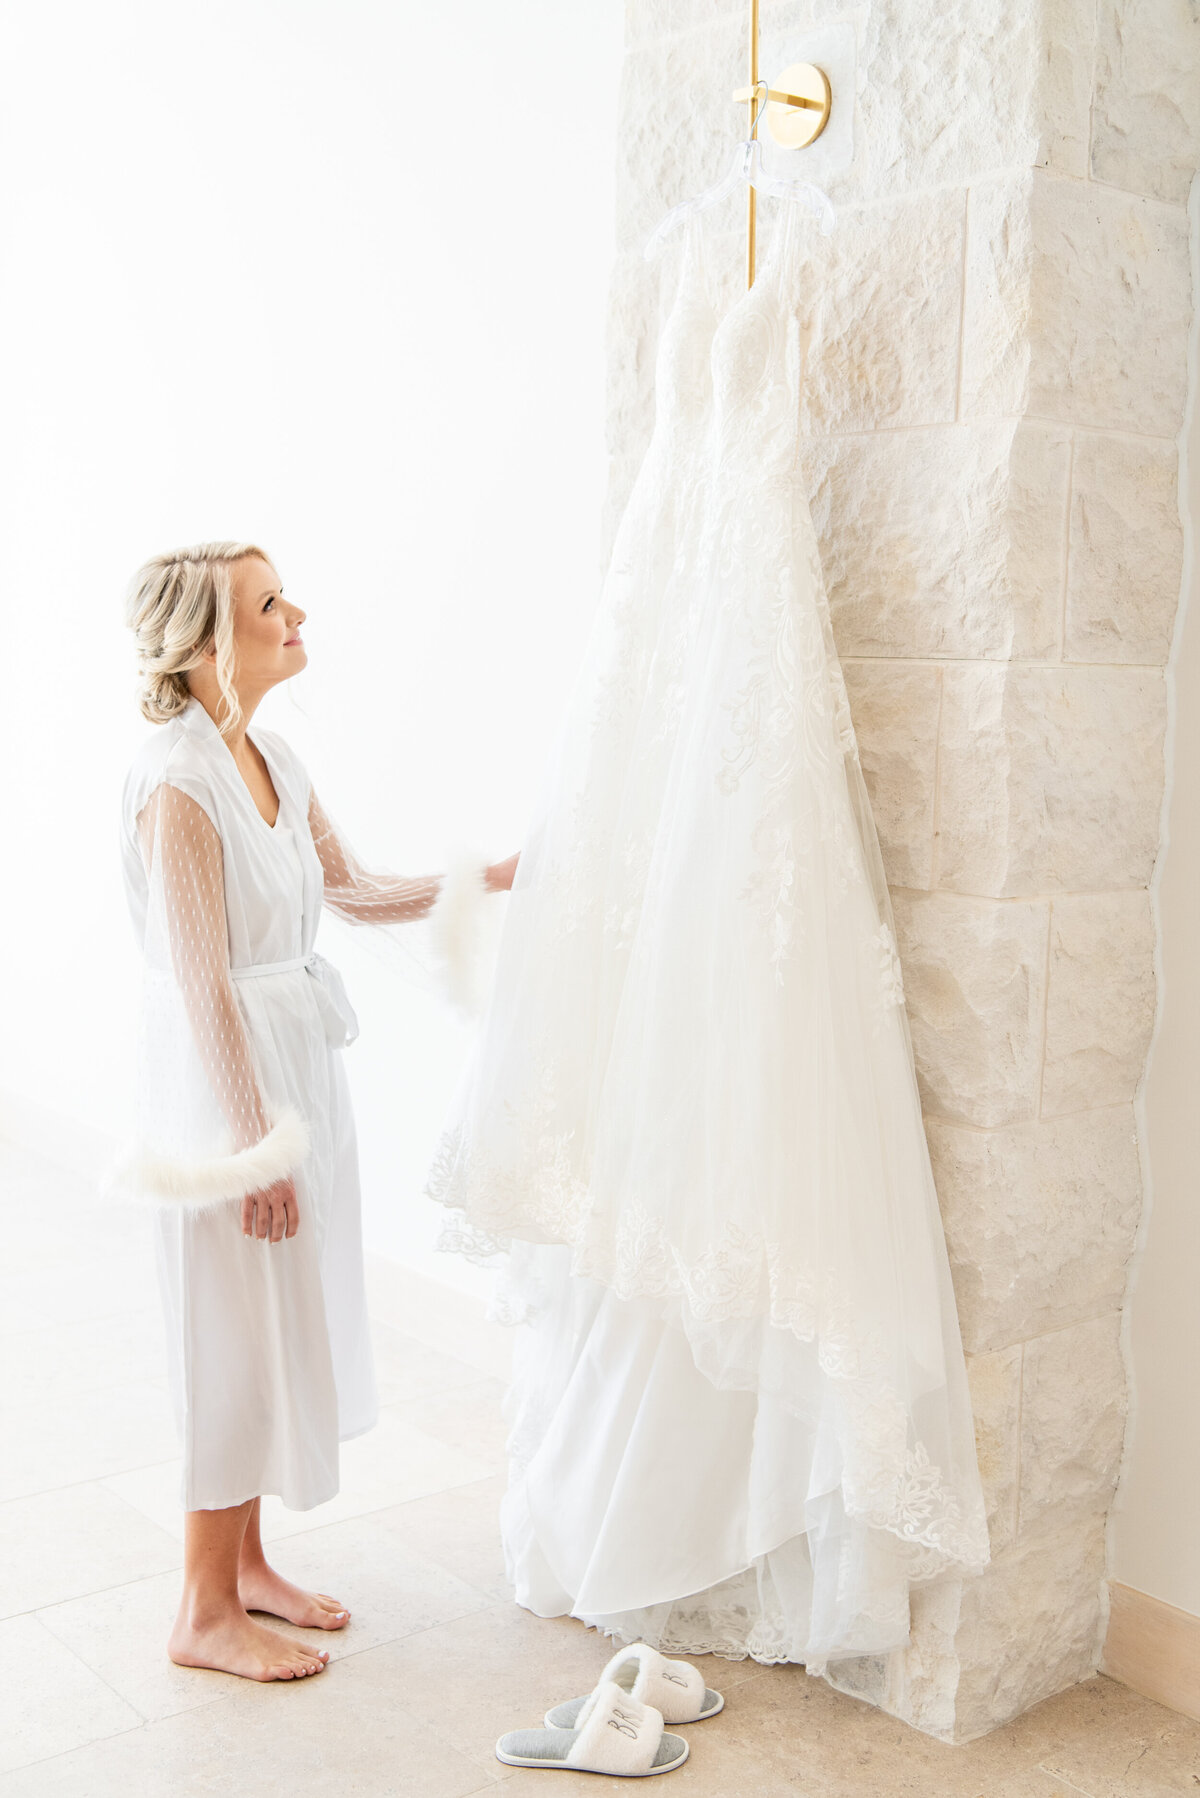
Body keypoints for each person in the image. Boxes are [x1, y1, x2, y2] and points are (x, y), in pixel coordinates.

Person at [116, 541, 516, 1682]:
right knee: (223, 1328)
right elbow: (198, 979)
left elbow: (349, 889)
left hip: (290, 1061)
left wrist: (490, 878)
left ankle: (244, 1566)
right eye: (268, 603)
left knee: (273, 1316)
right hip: (222, 1087)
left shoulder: (272, 757)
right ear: (204, 646)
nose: (297, 612)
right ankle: (200, 1609)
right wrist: (257, 1143)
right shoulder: (178, 784)